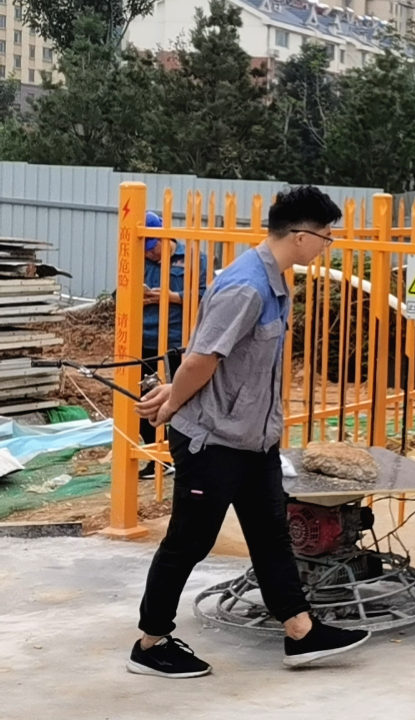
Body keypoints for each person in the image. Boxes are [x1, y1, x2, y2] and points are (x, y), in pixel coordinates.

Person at [130, 186, 369, 678]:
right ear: (300, 236)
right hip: (213, 441)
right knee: (189, 541)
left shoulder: (274, 282)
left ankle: (300, 631)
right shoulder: (247, 287)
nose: (326, 246)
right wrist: (172, 403)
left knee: (270, 534)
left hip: (254, 441)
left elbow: (229, 361)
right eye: (325, 237)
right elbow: (201, 359)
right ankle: (150, 642)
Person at [138, 211, 207, 479]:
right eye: (146, 249)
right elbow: (119, 293)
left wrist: (172, 296)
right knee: (144, 400)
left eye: (153, 246)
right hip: (145, 340)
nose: (150, 253)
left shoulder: (194, 259)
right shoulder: (138, 260)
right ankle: (157, 457)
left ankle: (185, 457)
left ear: (165, 236)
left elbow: (207, 296)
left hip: (179, 342)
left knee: (182, 399)